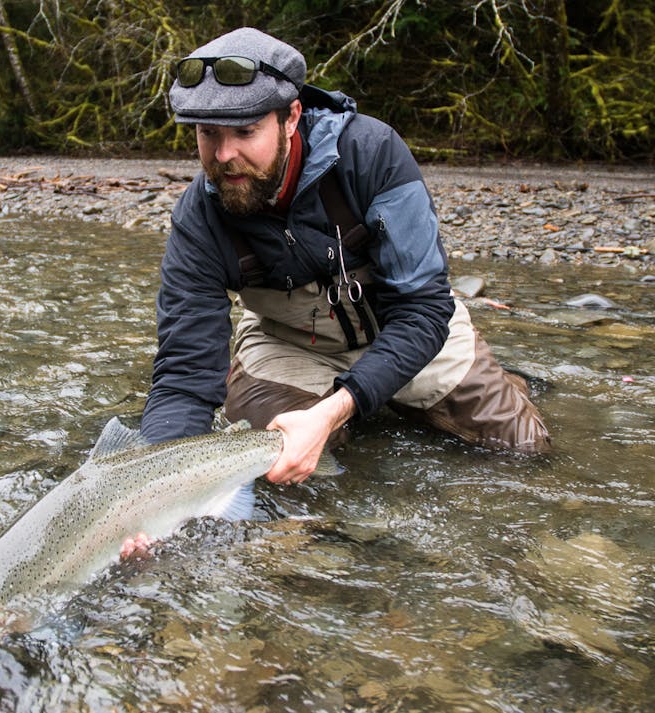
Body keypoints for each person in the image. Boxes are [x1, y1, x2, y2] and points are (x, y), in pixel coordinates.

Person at [138, 27, 551, 494]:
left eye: (245, 131)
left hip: (408, 332)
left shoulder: (371, 155)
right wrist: (150, 492)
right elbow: (185, 378)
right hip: (291, 347)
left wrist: (338, 404)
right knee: (272, 473)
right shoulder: (199, 218)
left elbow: (424, 309)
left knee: (525, 454)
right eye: (208, 134)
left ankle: (480, 385)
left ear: (291, 117)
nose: (224, 154)